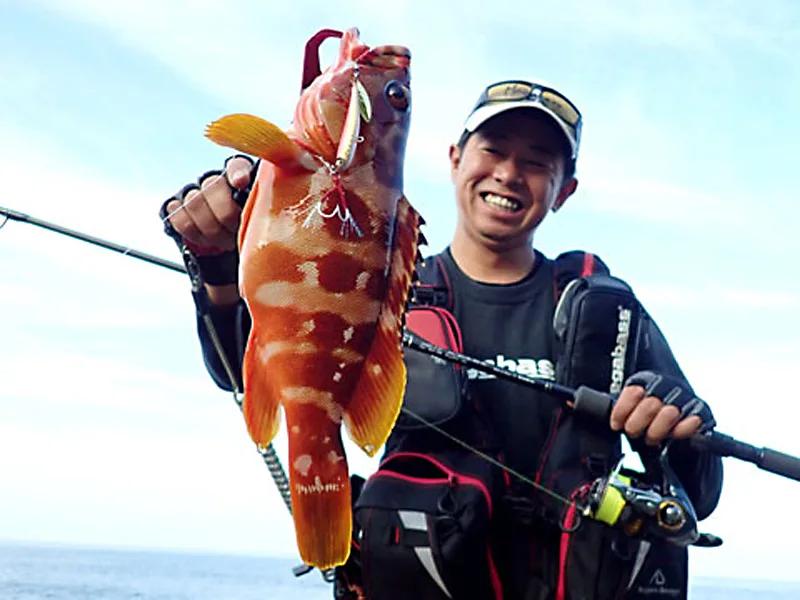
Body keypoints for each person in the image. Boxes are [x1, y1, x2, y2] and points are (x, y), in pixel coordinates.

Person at [161, 80, 723, 599]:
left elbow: (702, 491)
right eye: (493, 151)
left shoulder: (608, 315)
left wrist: (677, 430)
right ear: (455, 160)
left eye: (536, 163)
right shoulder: (384, 289)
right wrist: (217, 269)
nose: (508, 174)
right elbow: (243, 367)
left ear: (564, 191)